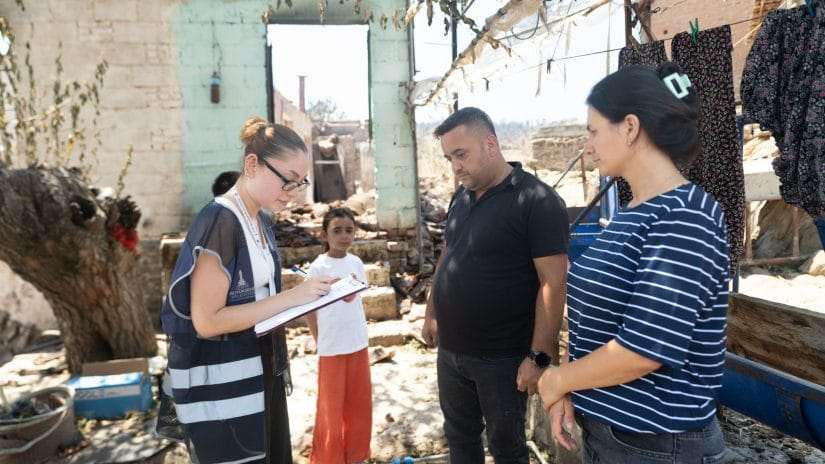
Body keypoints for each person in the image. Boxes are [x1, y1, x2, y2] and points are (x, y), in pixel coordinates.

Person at [537, 63, 731, 464]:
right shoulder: (634, 211)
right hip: (616, 435)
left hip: (658, 446)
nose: (587, 146)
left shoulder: (684, 216)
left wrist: (556, 380)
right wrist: (571, 390)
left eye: (593, 131)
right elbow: (602, 325)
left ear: (629, 127)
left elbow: (643, 349)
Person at [160, 116, 335, 464]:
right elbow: (207, 321)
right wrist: (294, 297)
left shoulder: (260, 219)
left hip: (260, 367)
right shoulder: (220, 221)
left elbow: (257, 299)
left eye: (300, 183)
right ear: (252, 164)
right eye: (287, 181)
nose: (293, 194)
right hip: (224, 383)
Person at [423, 107, 569, 463]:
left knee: (506, 449)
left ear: (491, 144)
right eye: (448, 158)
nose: (455, 166)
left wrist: (539, 356)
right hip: (452, 351)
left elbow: (553, 283)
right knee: (459, 438)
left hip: (501, 358)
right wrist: (431, 312)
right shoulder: (461, 196)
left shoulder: (537, 201)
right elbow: (448, 256)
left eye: (461, 154)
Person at [305, 207, 372, 464]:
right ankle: (329, 457)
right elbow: (310, 310)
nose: (344, 236)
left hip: (357, 342)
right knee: (331, 408)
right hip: (331, 346)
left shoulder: (356, 263)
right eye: (337, 231)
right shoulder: (318, 267)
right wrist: (319, 339)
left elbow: (355, 302)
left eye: (349, 230)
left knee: (359, 403)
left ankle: (356, 455)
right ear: (324, 234)